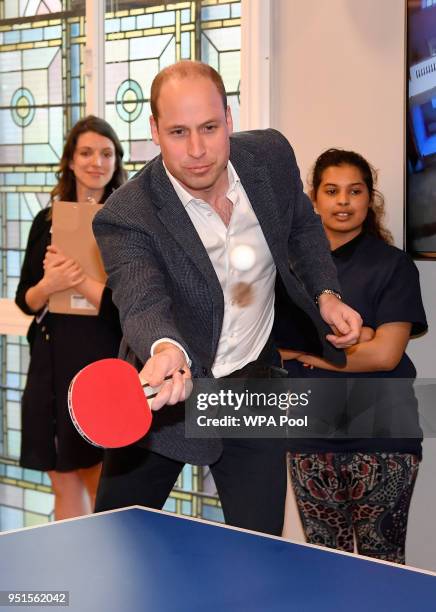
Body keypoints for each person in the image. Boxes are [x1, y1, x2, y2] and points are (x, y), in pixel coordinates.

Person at [92, 61, 362, 536]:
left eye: (209, 128)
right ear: (154, 130)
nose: (197, 150)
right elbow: (141, 296)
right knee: (116, 541)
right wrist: (166, 349)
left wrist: (326, 293)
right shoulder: (127, 214)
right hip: (167, 396)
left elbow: (301, 223)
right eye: (178, 132)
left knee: (262, 547)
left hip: (251, 385)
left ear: (229, 120)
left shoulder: (270, 158)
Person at [275, 148, 427, 562]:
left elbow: (385, 356)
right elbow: (272, 347)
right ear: (314, 199)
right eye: (332, 190)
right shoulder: (290, 271)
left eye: (354, 191)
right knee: (325, 565)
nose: (343, 201)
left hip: (383, 441)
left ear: (369, 198)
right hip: (310, 439)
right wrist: (353, 341)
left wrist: (309, 352)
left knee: (382, 567)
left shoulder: (394, 266)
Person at [15, 115, 126, 520]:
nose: (96, 161)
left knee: (101, 480)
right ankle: (72, 574)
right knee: (61, 478)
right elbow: (25, 299)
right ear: (70, 160)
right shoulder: (45, 222)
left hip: (101, 364)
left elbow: (127, 307)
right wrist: (51, 282)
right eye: (86, 152)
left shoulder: (127, 226)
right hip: (50, 361)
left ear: (117, 162)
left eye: (106, 153)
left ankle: (109, 573)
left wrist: (79, 282)